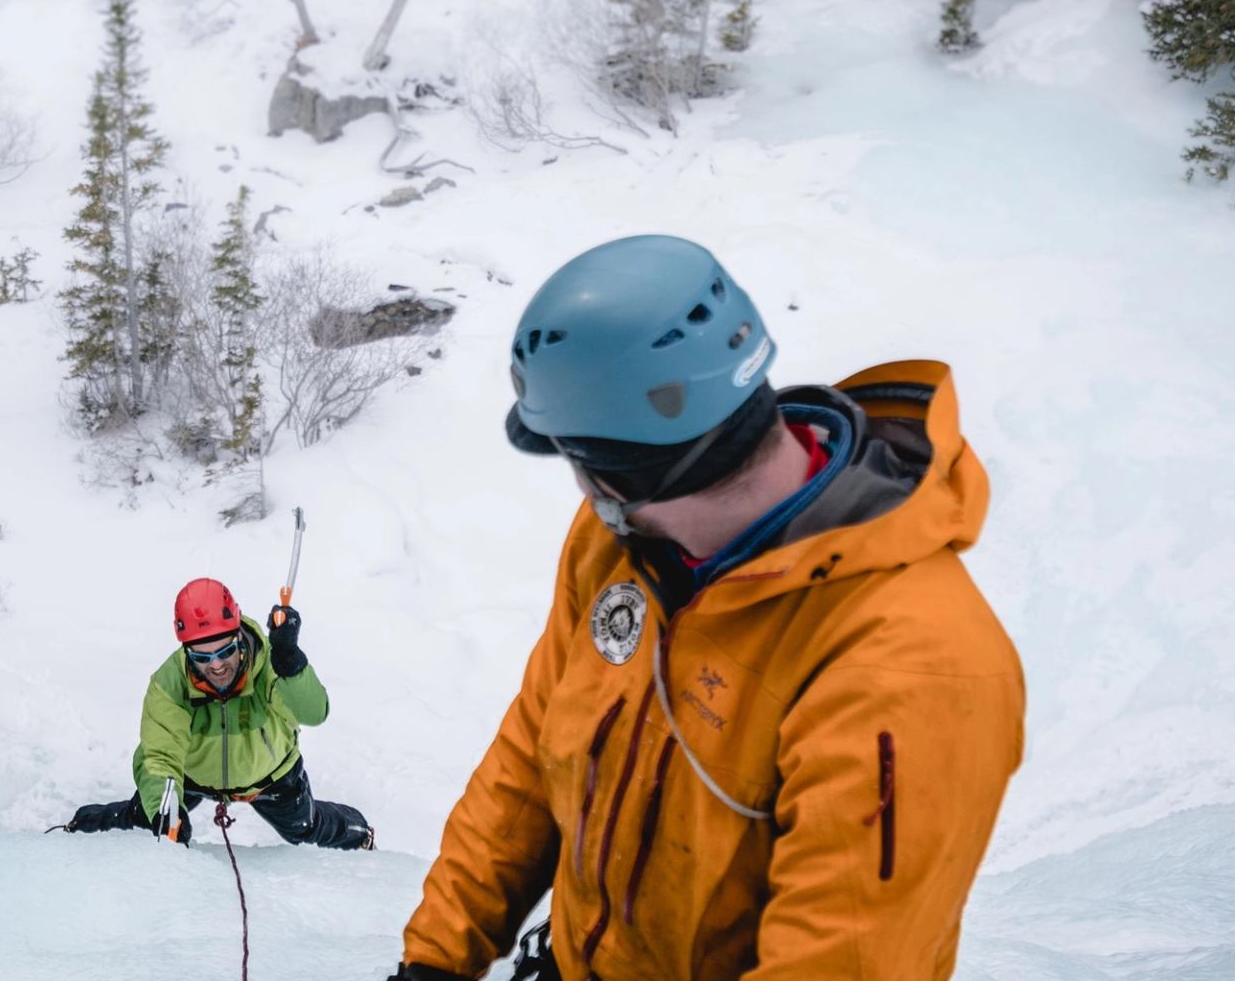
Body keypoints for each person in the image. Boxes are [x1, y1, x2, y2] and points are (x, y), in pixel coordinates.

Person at [389, 234, 1025, 980]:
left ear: (620, 470)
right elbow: (533, 753)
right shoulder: (615, 548)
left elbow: (836, 958)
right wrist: (437, 956)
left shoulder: (908, 666)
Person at [67, 577, 373, 850]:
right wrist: (167, 812)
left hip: (271, 775)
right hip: (193, 775)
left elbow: (314, 713)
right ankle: (77, 831)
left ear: (239, 637)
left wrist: (291, 664)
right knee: (152, 815)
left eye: (225, 651)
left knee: (304, 830)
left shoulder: (271, 663)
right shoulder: (169, 685)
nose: (216, 665)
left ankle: (359, 833)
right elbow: (158, 757)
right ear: (186, 651)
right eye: (202, 656)